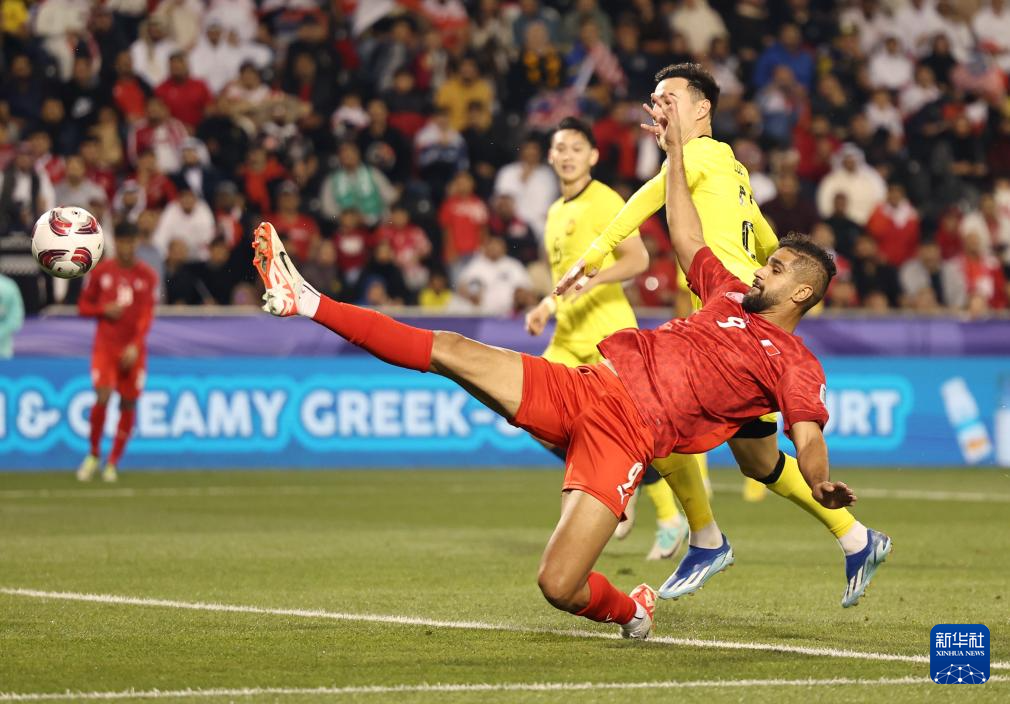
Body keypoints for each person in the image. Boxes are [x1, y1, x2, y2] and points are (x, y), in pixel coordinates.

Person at [252, 93, 888, 637]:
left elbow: (807, 435)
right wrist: (673, 153)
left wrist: (821, 480)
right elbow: (685, 232)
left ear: (801, 293)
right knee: (449, 349)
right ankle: (307, 301)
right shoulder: (725, 291)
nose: (760, 270)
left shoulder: (793, 360)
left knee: (558, 584)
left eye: (774, 269)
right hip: (584, 386)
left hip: (627, 438)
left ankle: (634, 607)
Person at [555, 63, 882, 606]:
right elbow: (765, 234)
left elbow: (650, 199)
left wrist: (593, 255)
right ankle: (854, 537)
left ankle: (706, 538)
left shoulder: (699, 156)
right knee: (757, 460)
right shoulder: (732, 165)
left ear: (702, 107)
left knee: (652, 414)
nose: (658, 107)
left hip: (725, 322)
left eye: (669, 99)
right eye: (654, 98)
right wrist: (790, 273)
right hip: (738, 318)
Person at [524, 116, 687, 560]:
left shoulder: (604, 199)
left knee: (629, 431)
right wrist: (546, 306)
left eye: (577, 148)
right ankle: (618, 482)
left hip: (607, 332)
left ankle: (669, 518)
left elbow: (637, 259)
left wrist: (595, 281)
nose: (568, 155)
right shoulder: (554, 212)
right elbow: (565, 277)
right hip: (566, 333)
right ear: (551, 156)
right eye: (560, 148)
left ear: (593, 156)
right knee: (532, 414)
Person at [77, 226, 158, 483]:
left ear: (137, 242)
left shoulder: (148, 275)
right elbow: (83, 306)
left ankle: (112, 462)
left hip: (134, 349)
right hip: (106, 347)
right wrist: (103, 309)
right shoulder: (101, 272)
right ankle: (93, 454)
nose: (126, 246)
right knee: (103, 395)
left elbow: (146, 314)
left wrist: (135, 345)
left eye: (131, 241)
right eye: (122, 241)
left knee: (128, 402)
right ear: (115, 242)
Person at [0, 273, 25, 358]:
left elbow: (15, 318)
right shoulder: (9, 285)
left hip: (3, 351)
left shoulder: (8, 286)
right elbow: (16, 318)